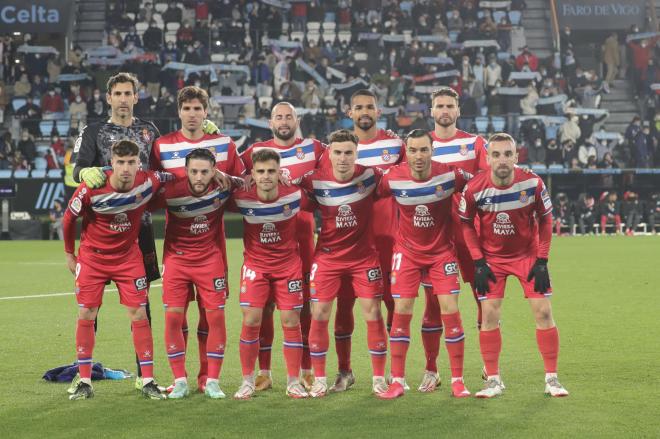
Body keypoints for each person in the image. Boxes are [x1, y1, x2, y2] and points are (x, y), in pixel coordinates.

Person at [459, 132, 568, 398]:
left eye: (508, 154)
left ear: (516, 156)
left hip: (527, 257)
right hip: (492, 259)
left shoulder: (532, 182)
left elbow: (545, 219)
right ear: (488, 158)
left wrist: (542, 259)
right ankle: (493, 380)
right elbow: (465, 223)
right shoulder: (474, 187)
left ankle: (552, 379)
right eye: (496, 154)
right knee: (489, 317)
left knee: (543, 313)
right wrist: (478, 261)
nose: (502, 160)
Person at [72, 72, 162, 388]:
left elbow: (166, 171)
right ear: (108, 98)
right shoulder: (93, 131)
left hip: (141, 229)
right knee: (89, 306)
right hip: (101, 231)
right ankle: (83, 370)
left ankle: (144, 375)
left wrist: (211, 132)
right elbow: (73, 173)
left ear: (136, 97)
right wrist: (86, 171)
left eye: (129, 93)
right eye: (118, 93)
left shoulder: (150, 131)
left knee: (142, 302)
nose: (123, 98)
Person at [150, 85, 241, 393]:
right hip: (176, 247)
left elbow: (241, 183)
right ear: (179, 112)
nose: (192, 114)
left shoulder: (224, 143)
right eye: (186, 108)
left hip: (212, 246)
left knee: (210, 314)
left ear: (206, 111)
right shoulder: (161, 146)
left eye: (197, 108)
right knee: (176, 314)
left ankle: (208, 379)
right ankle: (180, 379)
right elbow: (149, 186)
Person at [62, 140, 167, 400]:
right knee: (87, 311)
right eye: (120, 162)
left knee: (139, 313)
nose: (126, 168)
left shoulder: (149, 180)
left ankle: (148, 380)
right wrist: (69, 253)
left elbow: (177, 175)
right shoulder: (91, 188)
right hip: (93, 258)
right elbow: (68, 219)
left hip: (128, 257)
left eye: (131, 162)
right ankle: (84, 380)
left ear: (138, 163)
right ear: (112, 162)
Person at [375, 129, 472, 399]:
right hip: (406, 253)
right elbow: (367, 195)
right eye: (413, 150)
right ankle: (397, 381)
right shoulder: (393, 177)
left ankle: (457, 380)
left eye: (424, 150)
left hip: (442, 253)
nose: (418, 156)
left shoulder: (451, 174)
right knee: (401, 310)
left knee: (450, 309)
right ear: (407, 152)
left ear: (433, 150)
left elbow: (480, 186)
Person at [240, 102, 326, 392]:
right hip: (265, 245)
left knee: (302, 312)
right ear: (270, 121)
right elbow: (231, 172)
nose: (284, 121)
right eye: (279, 116)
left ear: (297, 119)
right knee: (262, 310)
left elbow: (342, 158)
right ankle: (263, 372)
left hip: (302, 241)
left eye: (289, 116)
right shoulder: (255, 152)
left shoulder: (315, 148)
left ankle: (306, 370)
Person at [300, 129, 389, 398]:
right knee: (319, 315)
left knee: (372, 313)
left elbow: (400, 180)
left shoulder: (371, 176)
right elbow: (282, 189)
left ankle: (378, 379)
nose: (342, 158)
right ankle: (320, 379)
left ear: (356, 153)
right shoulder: (313, 181)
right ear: (329, 153)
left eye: (348, 152)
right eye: (337, 152)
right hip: (327, 257)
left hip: (364, 258)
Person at [325, 89, 403, 393]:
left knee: (392, 306)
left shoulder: (396, 144)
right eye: (358, 107)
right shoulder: (335, 148)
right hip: (348, 243)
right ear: (349, 112)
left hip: (387, 241)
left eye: (370, 106)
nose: (364, 111)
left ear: (379, 111)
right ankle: (344, 371)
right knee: (344, 308)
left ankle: (393, 374)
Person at [149, 148, 232, 399]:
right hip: (177, 262)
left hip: (210, 262)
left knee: (215, 319)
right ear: (185, 171)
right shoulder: (170, 190)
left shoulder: (225, 187)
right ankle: (180, 380)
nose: (199, 176)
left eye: (205, 171)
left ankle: (213, 381)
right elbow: (141, 196)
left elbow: (251, 182)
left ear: (213, 171)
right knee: (173, 318)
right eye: (194, 171)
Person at [231, 148, 311, 400]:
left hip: (288, 268)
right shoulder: (241, 196)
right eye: (261, 171)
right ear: (252, 173)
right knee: (252, 320)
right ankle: (247, 381)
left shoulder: (296, 195)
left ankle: (293, 382)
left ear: (280, 173)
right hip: (256, 267)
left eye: (272, 171)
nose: (266, 176)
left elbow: (323, 197)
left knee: (290, 321)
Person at [425, 86, 489, 392]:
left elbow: (487, 183)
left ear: (458, 110)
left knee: (484, 296)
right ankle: (431, 369)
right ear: (432, 111)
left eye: (450, 105)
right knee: (433, 302)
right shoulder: (420, 144)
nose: (445, 110)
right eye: (440, 105)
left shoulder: (474, 143)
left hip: (469, 232)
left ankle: (490, 368)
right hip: (433, 236)